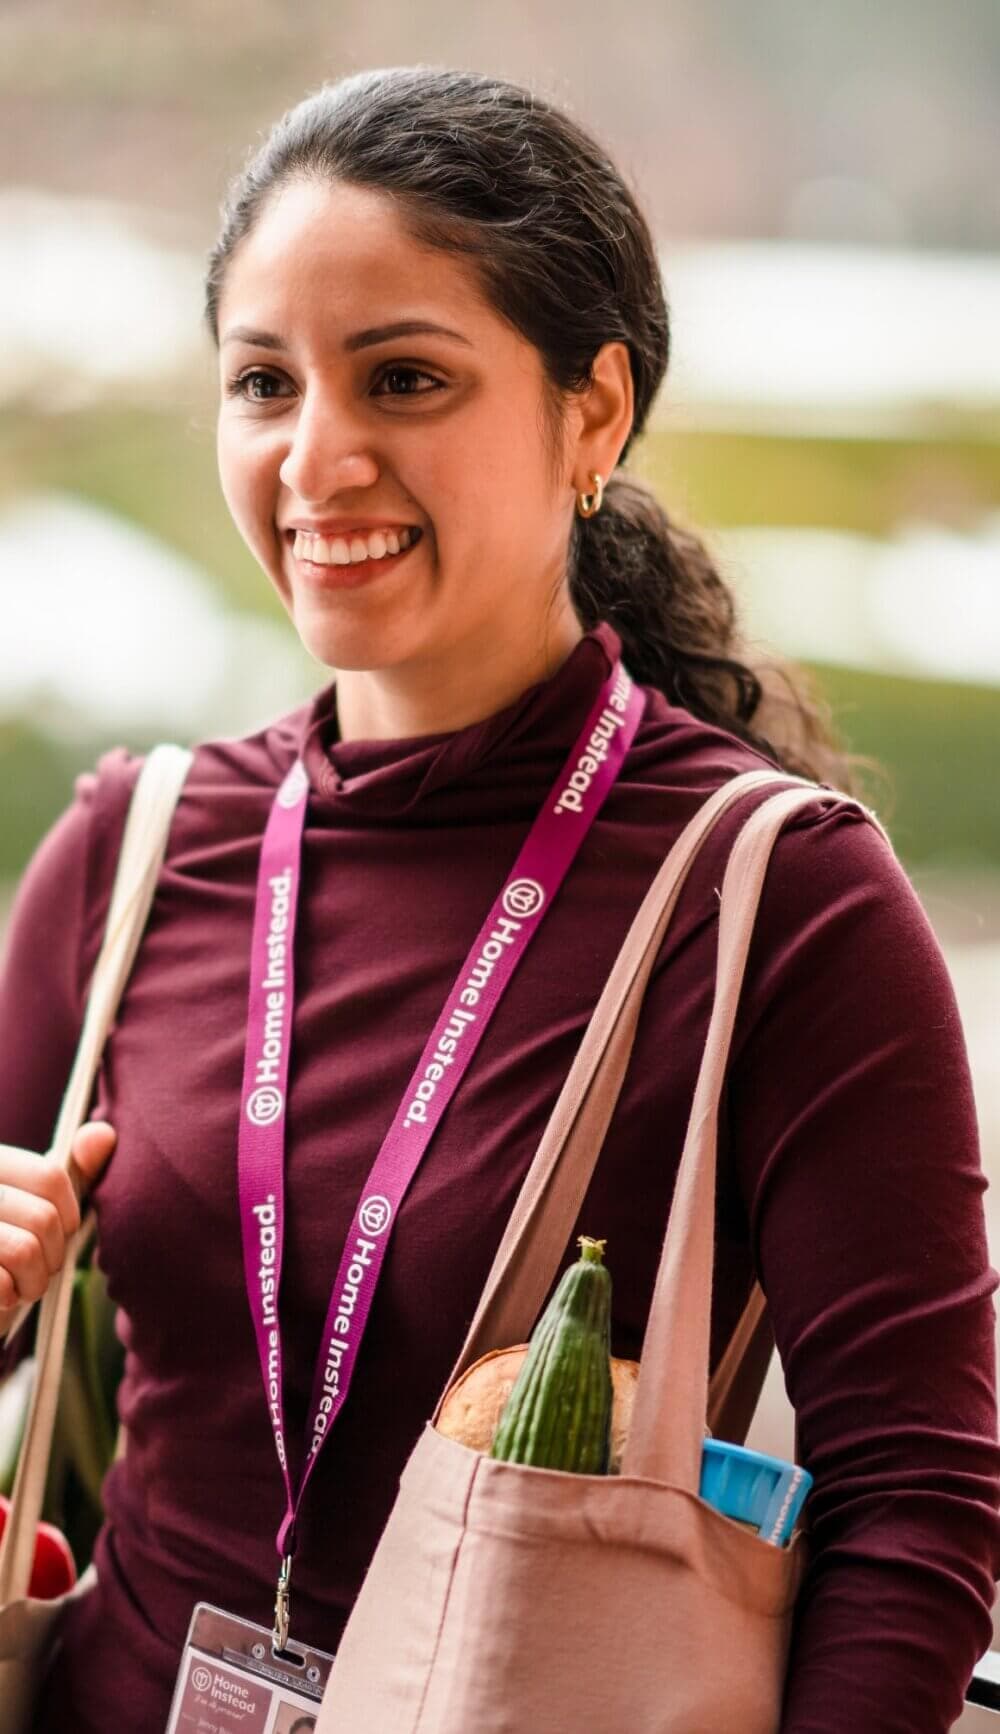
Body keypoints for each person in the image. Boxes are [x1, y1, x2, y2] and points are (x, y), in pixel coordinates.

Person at [0, 66, 997, 1734]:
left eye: (404, 377)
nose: (319, 457)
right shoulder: (137, 845)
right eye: (264, 381)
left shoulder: (776, 898)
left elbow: (919, 1510)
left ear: (591, 412)